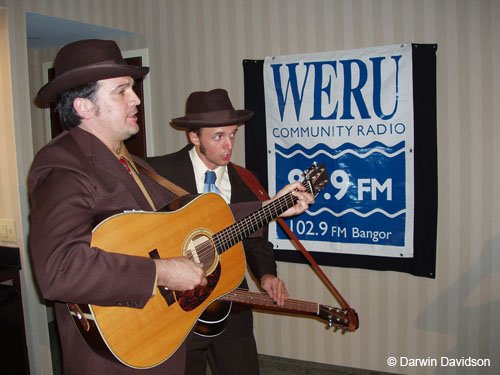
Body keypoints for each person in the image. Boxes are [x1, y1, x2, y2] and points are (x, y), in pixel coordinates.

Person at [28, 40, 314, 375]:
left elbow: (195, 222)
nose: (136, 99)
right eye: (121, 91)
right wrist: (162, 272)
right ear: (84, 106)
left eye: (132, 89)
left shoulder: (129, 163)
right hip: (117, 358)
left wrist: (272, 207)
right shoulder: (64, 166)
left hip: (160, 339)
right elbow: (60, 270)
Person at [146, 89, 290, 375]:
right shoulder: (158, 173)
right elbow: (138, 231)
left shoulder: (247, 180)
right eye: (218, 136)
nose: (229, 145)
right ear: (194, 137)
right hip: (175, 305)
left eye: (233, 134)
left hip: (231, 298)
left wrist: (267, 274)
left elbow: (256, 240)